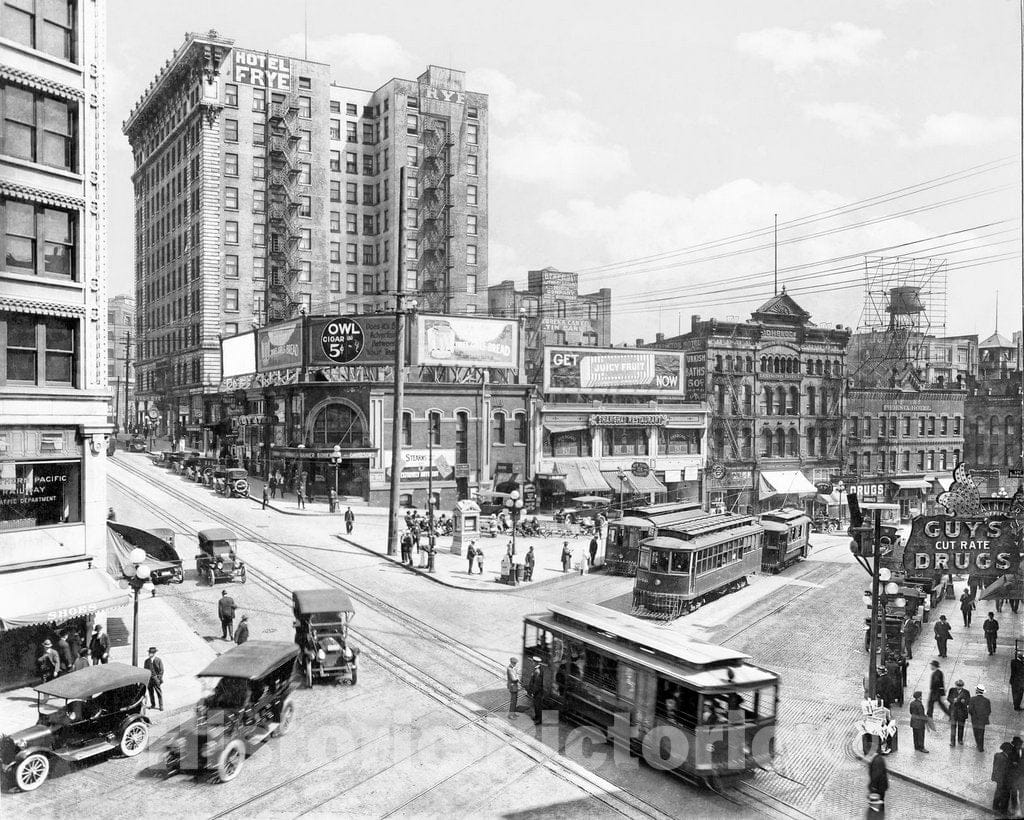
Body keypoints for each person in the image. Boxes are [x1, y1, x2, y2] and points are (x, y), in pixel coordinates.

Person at [992, 741, 1015, 814]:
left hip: (999, 779)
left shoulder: (998, 755)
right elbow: (1005, 770)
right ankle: (1004, 810)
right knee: (1005, 795)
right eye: (1010, 750)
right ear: (1007, 750)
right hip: (1004, 780)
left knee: (998, 793)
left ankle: (995, 806)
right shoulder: (1004, 759)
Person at [968, 684, 991, 751]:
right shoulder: (987, 700)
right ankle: (980, 747)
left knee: (976, 732)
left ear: (977, 691)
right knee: (981, 733)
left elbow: (970, 710)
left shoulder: (972, 699)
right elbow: (989, 711)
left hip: (975, 720)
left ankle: (978, 744)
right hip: (982, 720)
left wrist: (974, 715)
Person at [948, 678, 970, 746]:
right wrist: (952, 700)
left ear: (962, 686)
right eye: (957, 685)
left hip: (962, 712)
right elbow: (948, 698)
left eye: (960, 686)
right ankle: (952, 742)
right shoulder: (952, 690)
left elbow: (969, 701)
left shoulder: (966, 692)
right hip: (953, 712)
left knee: (961, 727)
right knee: (953, 727)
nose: (958, 687)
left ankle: (960, 739)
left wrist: (964, 702)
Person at [527, 658, 545, 724]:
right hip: (538, 691)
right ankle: (537, 717)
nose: (532, 662)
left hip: (537, 692)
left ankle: (538, 720)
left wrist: (533, 693)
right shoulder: (539, 668)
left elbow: (536, 684)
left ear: (535, 662)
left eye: (533, 661)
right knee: (537, 705)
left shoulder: (537, 671)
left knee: (537, 706)